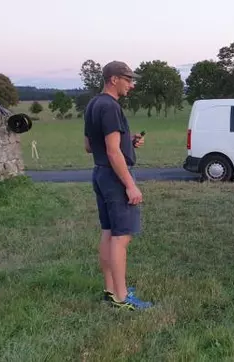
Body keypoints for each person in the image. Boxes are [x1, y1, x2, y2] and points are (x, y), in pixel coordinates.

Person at [84, 60, 153, 310]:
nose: (131, 85)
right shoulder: (111, 107)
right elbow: (113, 152)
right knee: (121, 238)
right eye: (128, 79)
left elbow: (90, 146)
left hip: (100, 173)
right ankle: (123, 298)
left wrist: (128, 143)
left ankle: (111, 289)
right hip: (115, 177)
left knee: (108, 233)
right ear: (114, 79)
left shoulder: (93, 104)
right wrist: (130, 185)